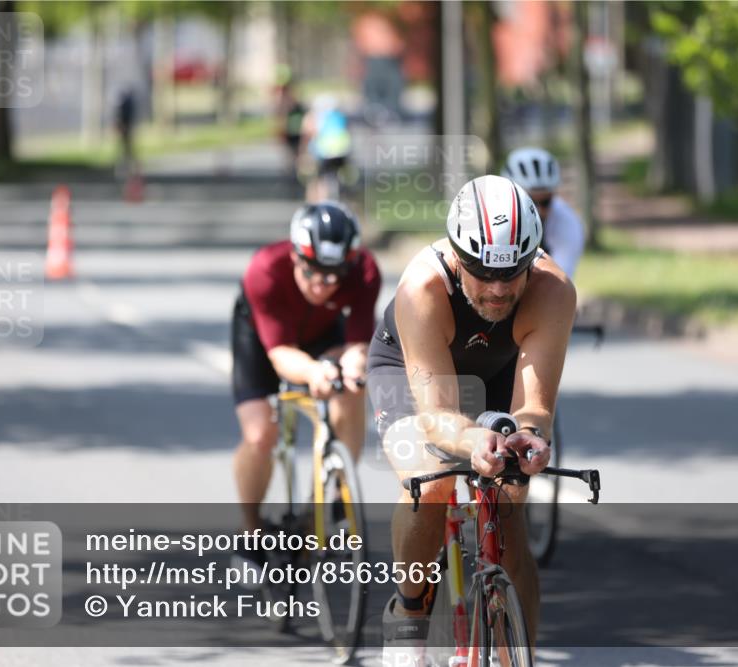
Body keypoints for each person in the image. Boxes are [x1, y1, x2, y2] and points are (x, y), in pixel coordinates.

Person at [367, 175, 577, 663]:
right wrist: (472, 440)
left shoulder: (553, 291)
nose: (500, 289)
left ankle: (514, 652)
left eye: (513, 273)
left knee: (510, 501)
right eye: (483, 272)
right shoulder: (422, 287)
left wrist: (529, 437)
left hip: (498, 371)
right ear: (459, 257)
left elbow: (534, 408)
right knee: (431, 481)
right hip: (411, 371)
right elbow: (438, 417)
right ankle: (410, 611)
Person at [231, 202, 381, 554]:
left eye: (333, 275)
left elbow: (358, 344)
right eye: (311, 272)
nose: (322, 285)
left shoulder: (364, 270)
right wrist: (314, 371)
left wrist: (353, 367)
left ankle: (328, 496)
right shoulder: (265, 269)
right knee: (259, 435)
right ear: (296, 257)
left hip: (323, 333)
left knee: (351, 388)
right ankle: (250, 532)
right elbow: (280, 353)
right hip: (263, 338)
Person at [502, 147, 585, 278]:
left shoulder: (568, 221)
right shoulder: (491, 216)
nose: (538, 211)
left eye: (545, 202)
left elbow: (559, 281)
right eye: (530, 202)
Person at [300, 95, 352, 202]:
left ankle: (318, 204)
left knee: (318, 180)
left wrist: (304, 153)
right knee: (339, 177)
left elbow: (309, 134)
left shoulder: (317, 116)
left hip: (324, 153)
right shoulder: (339, 116)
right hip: (342, 153)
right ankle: (343, 199)